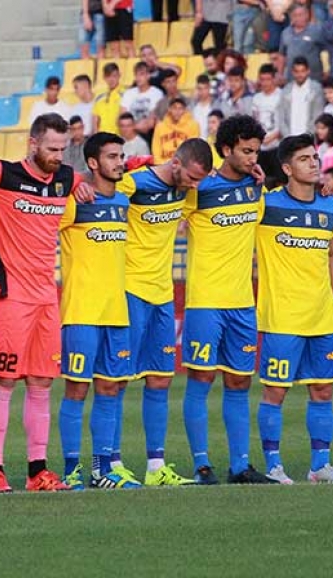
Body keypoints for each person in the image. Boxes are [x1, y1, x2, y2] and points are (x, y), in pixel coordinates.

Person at [0, 114, 82, 493]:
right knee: (4, 381)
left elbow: (96, 177)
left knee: (41, 383)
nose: (58, 155)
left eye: (63, 149)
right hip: (10, 296)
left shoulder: (66, 179)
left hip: (46, 299)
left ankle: (37, 470)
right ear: (33, 144)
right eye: (52, 148)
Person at [182, 114, 275, 485]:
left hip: (242, 303)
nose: (253, 158)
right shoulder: (199, 188)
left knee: (239, 382)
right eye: (246, 151)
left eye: (256, 151)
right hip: (205, 300)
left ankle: (240, 466)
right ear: (226, 149)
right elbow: (165, 212)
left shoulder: (256, 188)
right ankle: (202, 465)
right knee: (201, 378)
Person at [256, 133, 333, 484]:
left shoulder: (330, 207)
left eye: (315, 157)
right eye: (304, 159)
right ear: (286, 168)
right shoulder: (266, 205)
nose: (313, 163)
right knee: (275, 391)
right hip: (282, 316)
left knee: (323, 390)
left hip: (322, 314)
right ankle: (273, 466)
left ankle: (320, 467)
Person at [117, 139, 211, 487]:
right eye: (192, 177)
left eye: (200, 180)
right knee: (116, 380)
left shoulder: (187, 191)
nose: (195, 186)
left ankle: (155, 467)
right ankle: (111, 464)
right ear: (175, 163)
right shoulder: (135, 182)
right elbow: (99, 188)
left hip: (162, 293)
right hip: (129, 289)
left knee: (160, 378)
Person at [57, 132, 136, 490]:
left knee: (109, 389)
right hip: (81, 312)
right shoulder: (74, 202)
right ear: (92, 163)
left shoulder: (123, 200)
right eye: (112, 157)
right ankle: (71, 470)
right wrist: (75, 184)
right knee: (76, 390)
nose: (120, 162)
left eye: (121, 156)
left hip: (116, 311)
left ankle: (102, 470)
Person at [279, 57, 325, 140]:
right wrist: (288, 137)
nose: (300, 75)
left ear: (308, 71)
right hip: (289, 139)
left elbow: (318, 116)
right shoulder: (286, 90)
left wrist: (306, 138)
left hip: (309, 139)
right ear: (292, 72)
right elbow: (281, 117)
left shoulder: (316, 89)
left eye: (302, 71)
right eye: (296, 71)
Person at [253, 63, 283, 186]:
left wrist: (272, 137)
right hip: (261, 147)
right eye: (262, 79)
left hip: (277, 145)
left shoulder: (281, 96)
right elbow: (255, 120)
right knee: (261, 181)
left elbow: (285, 122)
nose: (265, 83)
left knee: (280, 181)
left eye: (268, 79)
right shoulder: (257, 98)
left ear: (274, 79)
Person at [279, 4, 325, 82]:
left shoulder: (316, 30)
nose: (298, 18)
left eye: (300, 15)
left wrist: (326, 70)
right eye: (295, 15)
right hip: (292, 79)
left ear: (307, 15)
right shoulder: (285, 33)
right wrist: (280, 73)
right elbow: (282, 55)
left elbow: (325, 51)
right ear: (290, 17)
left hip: (313, 78)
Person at [119, 61, 163, 141]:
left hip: (148, 135)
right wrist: (134, 127)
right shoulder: (128, 93)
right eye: (136, 75)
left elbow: (151, 122)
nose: (138, 78)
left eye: (141, 74)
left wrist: (131, 126)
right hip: (129, 135)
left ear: (148, 76)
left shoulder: (156, 93)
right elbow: (122, 117)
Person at [152, 98, 200, 165]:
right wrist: (159, 163)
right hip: (163, 164)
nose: (177, 111)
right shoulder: (160, 126)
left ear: (185, 110)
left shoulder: (193, 125)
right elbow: (156, 148)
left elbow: (193, 149)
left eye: (180, 108)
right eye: (174, 108)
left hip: (183, 165)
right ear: (169, 109)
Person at [91, 62, 124, 134]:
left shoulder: (126, 95)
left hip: (118, 137)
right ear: (104, 77)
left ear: (119, 75)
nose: (111, 79)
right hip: (102, 137)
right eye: (108, 76)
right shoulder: (99, 97)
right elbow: (95, 121)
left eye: (114, 76)